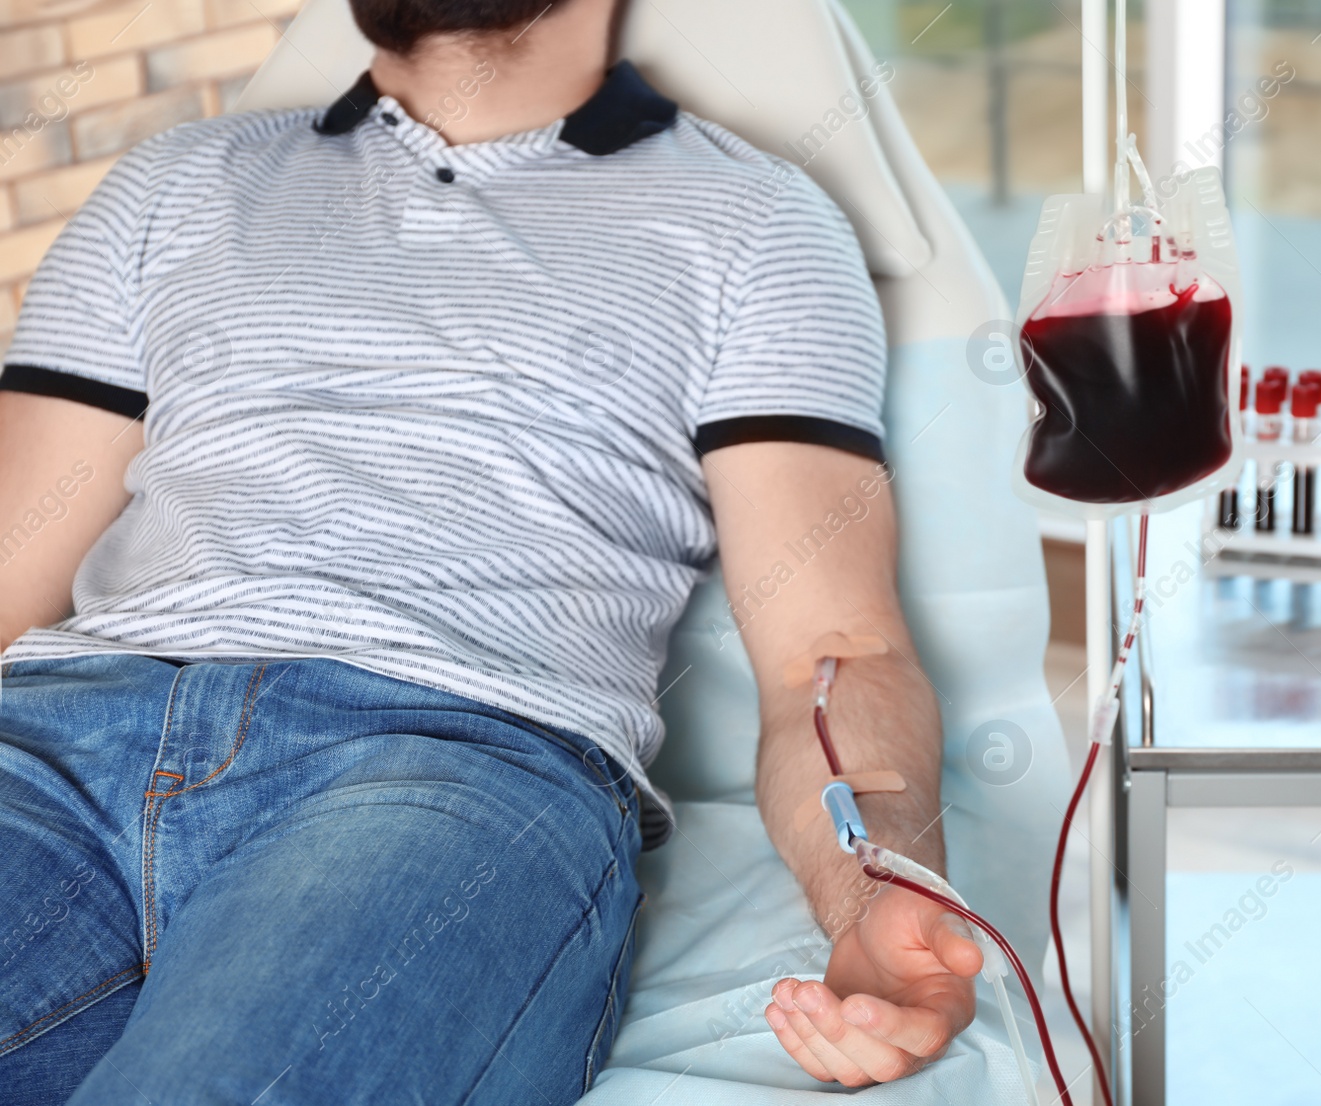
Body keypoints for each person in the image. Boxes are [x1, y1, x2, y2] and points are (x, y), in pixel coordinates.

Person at [0, 0, 982, 1102]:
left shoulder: (754, 222)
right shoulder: (171, 184)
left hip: (446, 760)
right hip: (52, 744)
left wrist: (873, 887)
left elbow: (832, 648)